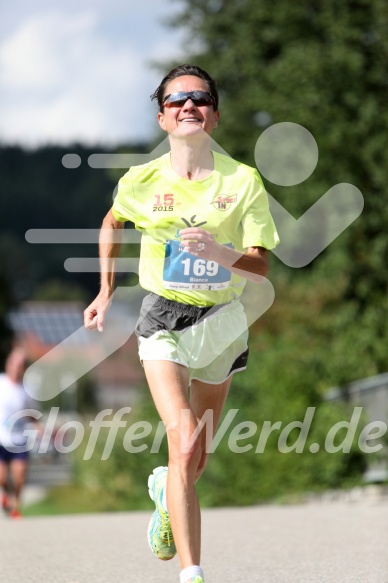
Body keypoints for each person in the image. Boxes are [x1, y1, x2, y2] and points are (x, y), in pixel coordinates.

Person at [84, 64, 279, 583]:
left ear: (213, 116)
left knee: (198, 458)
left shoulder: (243, 181)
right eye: (177, 100)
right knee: (184, 438)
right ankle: (191, 573)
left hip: (223, 320)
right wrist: (105, 291)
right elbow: (113, 220)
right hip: (164, 316)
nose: (188, 105)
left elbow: (261, 264)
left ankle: (163, 494)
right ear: (163, 118)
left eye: (200, 98)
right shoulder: (141, 180)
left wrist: (222, 253)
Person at [0, 347, 41, 518]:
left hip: (19, 440)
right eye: (14, 363)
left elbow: (32, 413)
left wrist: (38, 426)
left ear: (24, 368)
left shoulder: (27, 390)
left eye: (20, 365)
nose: (17, 367)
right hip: (1, 439)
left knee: (19, 477)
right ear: (8, 364)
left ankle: (15, 505)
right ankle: (5, 496)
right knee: (2, 478)